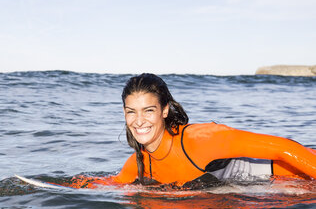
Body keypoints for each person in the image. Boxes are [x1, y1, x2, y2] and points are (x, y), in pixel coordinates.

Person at [72, 73, 316, 188]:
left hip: (292, 183)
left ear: (164, 110)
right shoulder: (137, 165)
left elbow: (285, 148)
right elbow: (109, 185)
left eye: (148, 110)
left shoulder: (198, 141)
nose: (139, 121)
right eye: (130, 112)